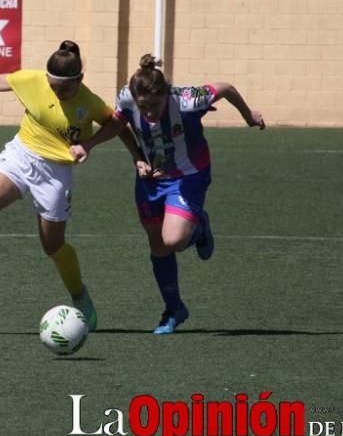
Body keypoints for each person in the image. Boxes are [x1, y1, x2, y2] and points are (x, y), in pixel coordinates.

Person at [70, 54, 265, 334]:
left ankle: (199, 227)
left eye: (155, 105)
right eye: (143, 107)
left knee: (173, 238)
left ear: (166, 95)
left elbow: (226, 88)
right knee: (157, 245)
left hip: (189, 176)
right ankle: (174, 310)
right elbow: (117, 124)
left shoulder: (187, 99)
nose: (148, 113)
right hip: (151, 179)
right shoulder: (126, 97)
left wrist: (248, 116)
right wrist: (89, 145)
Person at [0, 40, 113, 329]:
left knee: (52, 246)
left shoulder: (89, 102)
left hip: (56, 173)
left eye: (63, 87)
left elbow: (116, 123)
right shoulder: (33, 80)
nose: (56, 91)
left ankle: (80, 296)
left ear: (79, 79)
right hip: (21, 155)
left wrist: (91, 145)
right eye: (52, 85)